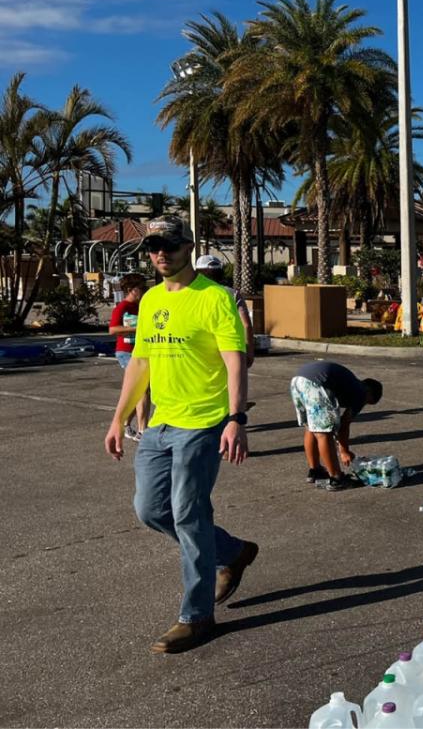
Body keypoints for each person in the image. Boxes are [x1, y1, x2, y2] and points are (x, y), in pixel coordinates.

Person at [103, 216, 254, 654]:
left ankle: (197, 615)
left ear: (188, 245)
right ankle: (232, 550)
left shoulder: (215, 298)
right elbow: (140, 363)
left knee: (188, 513)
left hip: (203, 422)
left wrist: (235, 419)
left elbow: (234, 360)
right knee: (150, 510)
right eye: (152, 247)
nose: (159, 254)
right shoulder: (150, 300)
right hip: (160, 424)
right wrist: (119, 419)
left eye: (168, 244)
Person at [289, 360, 383, 491]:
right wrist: (344, 450)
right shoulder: (361, 391)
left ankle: (315, 471)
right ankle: (336, 478)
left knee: (311, 427)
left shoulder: (349, 383)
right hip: (316, 383)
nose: (363, 405)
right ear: (370, 392)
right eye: (368, 402)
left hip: (298, 380)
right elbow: (345, 424)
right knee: (323, 433)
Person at [109, 272, 150, 440]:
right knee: (143, 390)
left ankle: (126, 424)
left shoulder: (142, 306)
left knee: (137, 391)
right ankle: (143, 430)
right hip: (125, 351)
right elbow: (113, 329)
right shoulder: (123, 307)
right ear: (131, 290)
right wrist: (136, 329)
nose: (144, 291)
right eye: (142, 288)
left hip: (141, 351)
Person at [195, 255, 255, 367]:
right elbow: (246, 325)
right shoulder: (232, 293)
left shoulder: (191, 294)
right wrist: (249, 354)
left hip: (199, 354)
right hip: (229, 351)